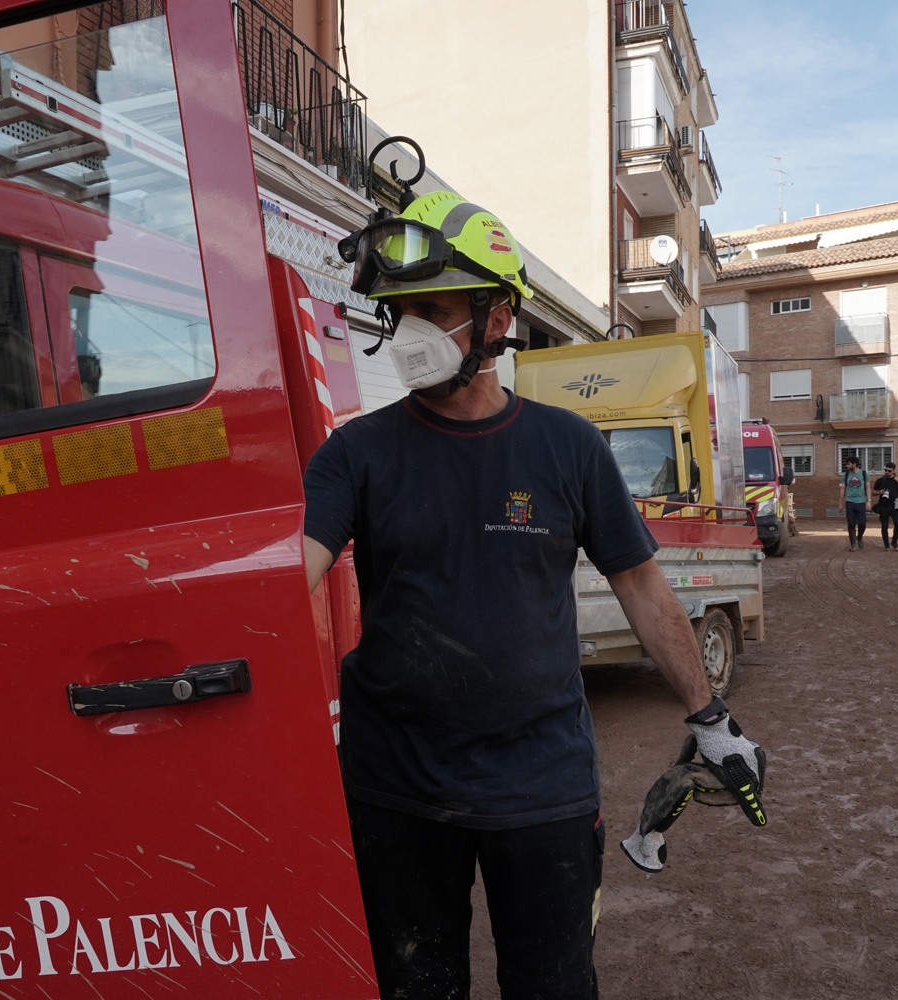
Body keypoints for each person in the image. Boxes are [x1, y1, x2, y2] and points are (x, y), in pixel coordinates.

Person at [302, 192, 767, 1000]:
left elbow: (641, 584)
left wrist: (710, 717)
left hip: (541, 786)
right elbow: (289, 574)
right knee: (416, 988)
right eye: (402, 311)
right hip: (398, 786)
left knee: (553, 985)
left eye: (434, 310)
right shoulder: (356, 454)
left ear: (496, 317)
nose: (411, 331)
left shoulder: (568, 447)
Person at [873, 462, 898, 549]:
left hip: (895, 506)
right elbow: (873, 492)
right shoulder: (880, 480)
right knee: (884, 526)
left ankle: (894, 541)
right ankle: (886, 544)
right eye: (885, 470)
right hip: (883, 506)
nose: (887, 472)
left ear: (894, 471)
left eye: (889, 471)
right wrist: (878, 492)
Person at [839, 456, 869, 550]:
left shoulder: (864, 474)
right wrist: (840, 502)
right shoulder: (846, 475)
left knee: (862, 523)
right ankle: (853, 544)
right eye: (846, 464)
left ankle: (859, 538)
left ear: (854, 464)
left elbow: (868, 488)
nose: (846, 466)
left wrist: (869, 501)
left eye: (848, 464)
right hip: (850, 501)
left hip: (861, 501)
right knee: (851, 523)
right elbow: (842, 488)